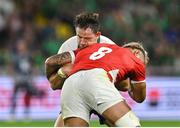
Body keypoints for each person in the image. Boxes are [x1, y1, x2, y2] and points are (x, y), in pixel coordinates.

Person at [45, 42, 149, 127]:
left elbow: (50, 61)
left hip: (70, 82)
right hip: (97, 79)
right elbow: (139, 97)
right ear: (136, 53)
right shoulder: (136, 60)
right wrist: (131, 85)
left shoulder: (96, 46)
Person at [47, 12, 119, 127]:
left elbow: (123, 85)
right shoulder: (67, 47)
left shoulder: (110, 47)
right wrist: (62, 73)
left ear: (97, 35)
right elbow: (54, 85)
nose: (82, 42)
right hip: (77, 96)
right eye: (79, 37)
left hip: (103, 96)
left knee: (124, 123)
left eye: (87, 38)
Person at [9, 38, 45, 120]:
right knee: (15, 95)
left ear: (25, 46)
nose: (21, 46)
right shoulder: (15, 57)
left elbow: (33, 66)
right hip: (18, 78)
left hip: (27, 78)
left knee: (28, 95)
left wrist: (34, 75)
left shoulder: (29, 56)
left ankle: (26, 113)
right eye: (19, 45)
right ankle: (12, 113)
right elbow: (11, 67)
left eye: (22, 45)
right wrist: (13, 77)